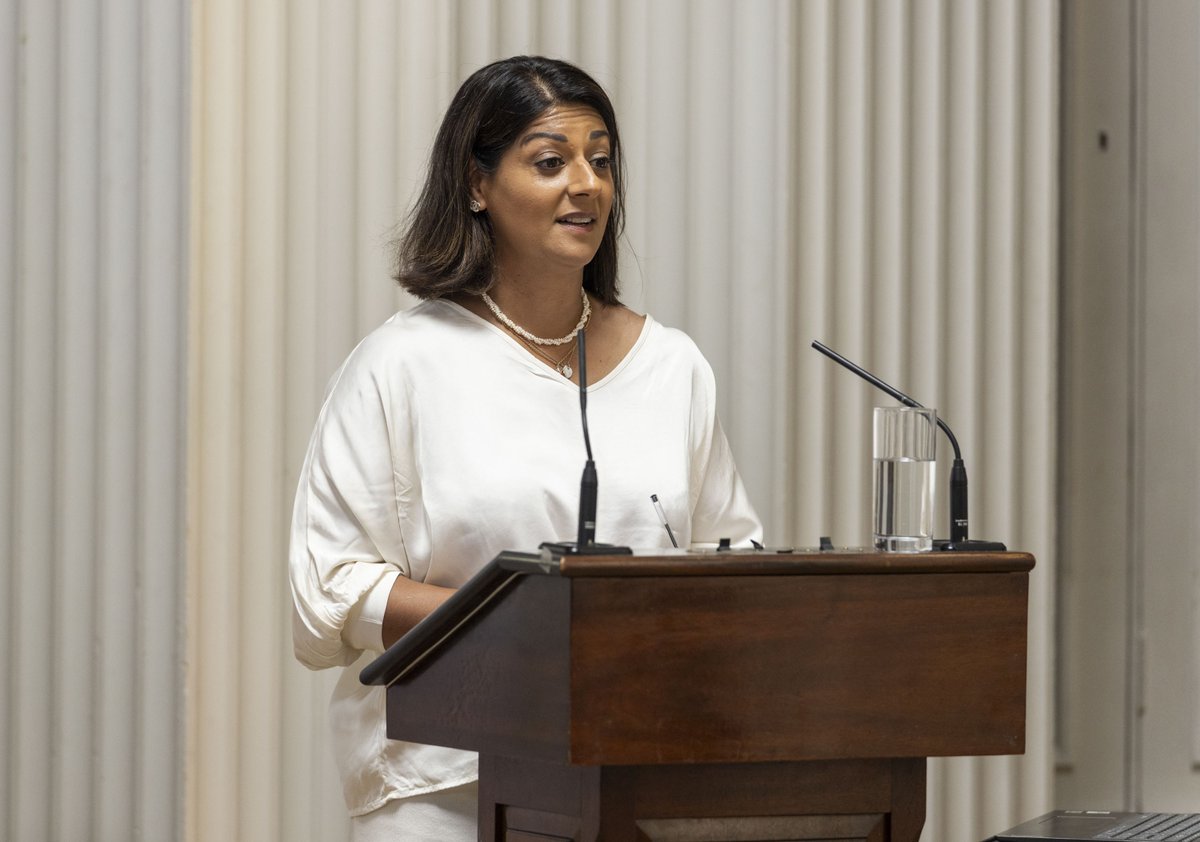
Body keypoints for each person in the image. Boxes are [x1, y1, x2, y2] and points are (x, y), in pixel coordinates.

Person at [288, 55, 762, 841]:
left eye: (601, 160)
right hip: (446, 786)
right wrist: (532, 634)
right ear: (477, 186)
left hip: (636, 779)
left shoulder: (673, 366)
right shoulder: (402, 363)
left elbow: (730, 560)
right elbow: (327, 591)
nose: (587, 184)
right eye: (551, 161)